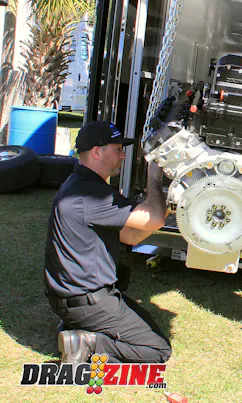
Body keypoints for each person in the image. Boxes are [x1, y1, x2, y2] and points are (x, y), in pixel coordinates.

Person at [44, 121, 171, 364]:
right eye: (117, 149)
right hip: (85, 301)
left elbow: (131, 236)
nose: (123, 155)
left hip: (70, 297)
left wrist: (169, 208)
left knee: (121, 275)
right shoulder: (91, 195)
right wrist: (154, 178)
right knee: (157, 350)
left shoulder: (81, 184)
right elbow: (153, 217)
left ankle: (73, 326)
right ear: (96, 152)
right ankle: (87, 343)